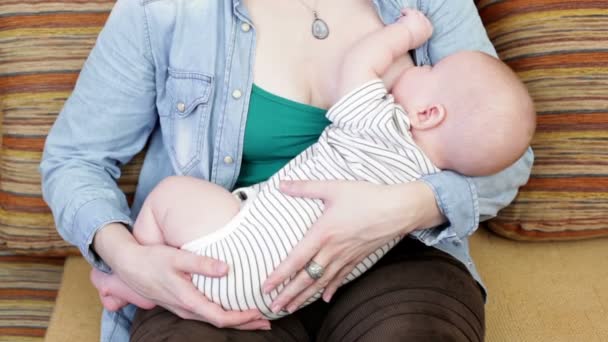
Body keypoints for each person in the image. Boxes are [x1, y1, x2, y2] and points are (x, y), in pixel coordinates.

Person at [40, 0, 535, 341]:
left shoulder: (428, 3)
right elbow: (74, 160)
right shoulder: (167, 10)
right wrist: (127, 258)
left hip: (396, 252)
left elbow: (503, 151)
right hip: (230, 251)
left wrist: (400, 208)